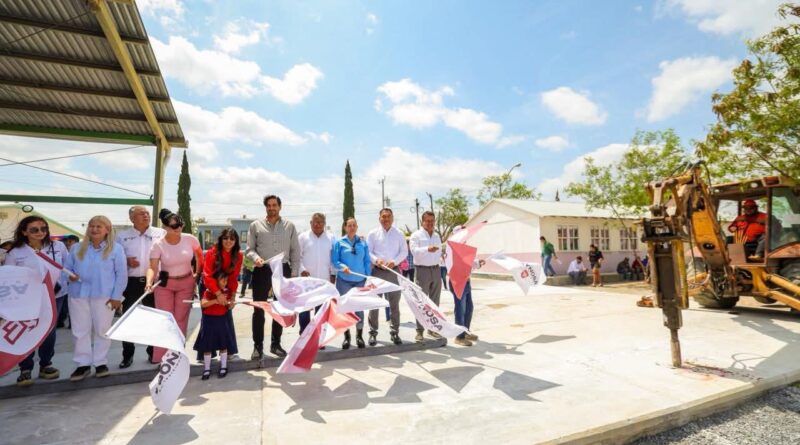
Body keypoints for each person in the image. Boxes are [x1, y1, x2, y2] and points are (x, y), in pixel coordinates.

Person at [5, 216, 70, 386]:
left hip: (55, 296)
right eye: (34, 229)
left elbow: (67, 267)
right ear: (24, 232)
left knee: (49, 330)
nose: (40, 232)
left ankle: (46, 364)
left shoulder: (58, 246)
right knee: (27, 331)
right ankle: (25, 368)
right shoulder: (16, 252)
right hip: (27, 300)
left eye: (43, 228)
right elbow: (10, 276)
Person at [65, 216, 127, 381]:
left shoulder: (116, 249)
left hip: (104, 296)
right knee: (80, 331)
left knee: (102, 331)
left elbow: (121, 275)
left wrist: (116, 297)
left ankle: (100, 362)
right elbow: (66, 269)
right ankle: (82, 364)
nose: (94, 229)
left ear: (107, 229)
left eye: (99, 226)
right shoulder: (76, 248)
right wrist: (69, 276)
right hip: (78, 295)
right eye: (91, 226)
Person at [246, 195, 300, 359]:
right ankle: (257, 346)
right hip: (262, 269)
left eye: (274, 205)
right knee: (259, 308)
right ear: (265, 208)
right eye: (268, 206)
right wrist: (256, 259)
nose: (271, 208)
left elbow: (295, 252)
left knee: (280, 308)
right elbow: (249, 249)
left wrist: (293, 274)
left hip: (282, 270)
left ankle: (276, 344)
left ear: (280, 206)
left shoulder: (289, 226)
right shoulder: (256, 225)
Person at [146, 209, 203, 363]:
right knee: (166, 320)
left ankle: (177, 355)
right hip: (164, 285)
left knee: (181, 319)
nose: (178, 228)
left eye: (180, 224)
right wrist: (149, 282)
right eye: (173, 226)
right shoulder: (158, 245)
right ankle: (161, 357)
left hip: (186, 283)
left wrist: (197, 273)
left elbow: (199, 256)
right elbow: (152, 267)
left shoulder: (190, 239)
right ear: (165, 227)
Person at [115, 206, 165, 368]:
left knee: (154, 320)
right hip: (131, 283)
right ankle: (127, 356)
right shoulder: (122, 237)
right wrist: (126, 261)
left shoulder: (160, 233)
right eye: (141, 214)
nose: (146, 216)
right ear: (132, 219)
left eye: (147, 214)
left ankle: (153, 353)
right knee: (127, 320)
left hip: (154, 283)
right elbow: (114, 259)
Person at [194, 228, 242, 380]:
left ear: (236, 241)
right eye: (226, 238)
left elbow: (234, 278)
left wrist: (232, 296)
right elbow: (207, 275)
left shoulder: (238, 255)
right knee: (208, 320)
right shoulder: (212, 253)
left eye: (232, 239)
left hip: (226, 287)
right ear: (221, 239)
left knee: (225, 319)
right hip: (209, 287)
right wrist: (217, 294)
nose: (229, 241)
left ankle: (228, 352)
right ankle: (204, 354)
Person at [367, 208, 408, 346]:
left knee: (394, 304)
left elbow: (404, 252)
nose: (386, 219)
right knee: (374, 304)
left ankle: (394, 332)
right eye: (383, 217)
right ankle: (373, 333)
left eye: (388, 216)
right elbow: (368, 252)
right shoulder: (372, 234)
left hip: (393, 271)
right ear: (379, 218)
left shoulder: (399, 234)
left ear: (393, 218)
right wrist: (375, 260)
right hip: (377, 271)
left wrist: (394, 262)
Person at [331, 218, 371, 349]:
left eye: (354, 225)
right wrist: (343, 267)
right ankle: (346, 337)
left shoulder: (363, 243)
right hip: (344, 281)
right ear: (345, 227)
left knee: (359, 309)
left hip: (360, 281)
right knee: (344, 309)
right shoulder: (339, 243)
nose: (352, 227)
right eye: (349, 225)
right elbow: (335, 260)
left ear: (357, 227)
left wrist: (367, 276)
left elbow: (367, 260)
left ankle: (359, 336)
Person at [297, 213, 336, 333]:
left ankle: (319, 336)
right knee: (304, 311)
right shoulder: (302, 237)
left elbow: (334, 258)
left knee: (321, 311)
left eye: (320, 222)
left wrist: (333, 274)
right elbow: (297, 257)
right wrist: (302, 269)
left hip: (324, 281)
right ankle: (304, 335)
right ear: (310, 223)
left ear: (324, 224)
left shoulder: (331, 238)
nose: (317, 224)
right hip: (306, 282)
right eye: (315, 222)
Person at [410, 211, 443, 343]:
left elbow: (439, 251)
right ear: (422, 222)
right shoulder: (416, 235)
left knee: (435, 302)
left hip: (435, 270)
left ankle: (433, 328)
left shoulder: (436, 236)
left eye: (432, 221)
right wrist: (427, 249)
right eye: (427, 221)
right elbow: (414, 251)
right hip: (422, 270)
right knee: (421, 302)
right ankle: (419, 331)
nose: (430, 223)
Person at [449, 225, 484, 347]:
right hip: (458, 282)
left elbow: (467, 265)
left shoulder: (463, 248)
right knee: (460, 309)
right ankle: (459, 337)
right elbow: (457, 265)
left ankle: (466, 331)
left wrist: (477, 264)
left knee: (469, 307)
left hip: (466, 281)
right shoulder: (452, 249)